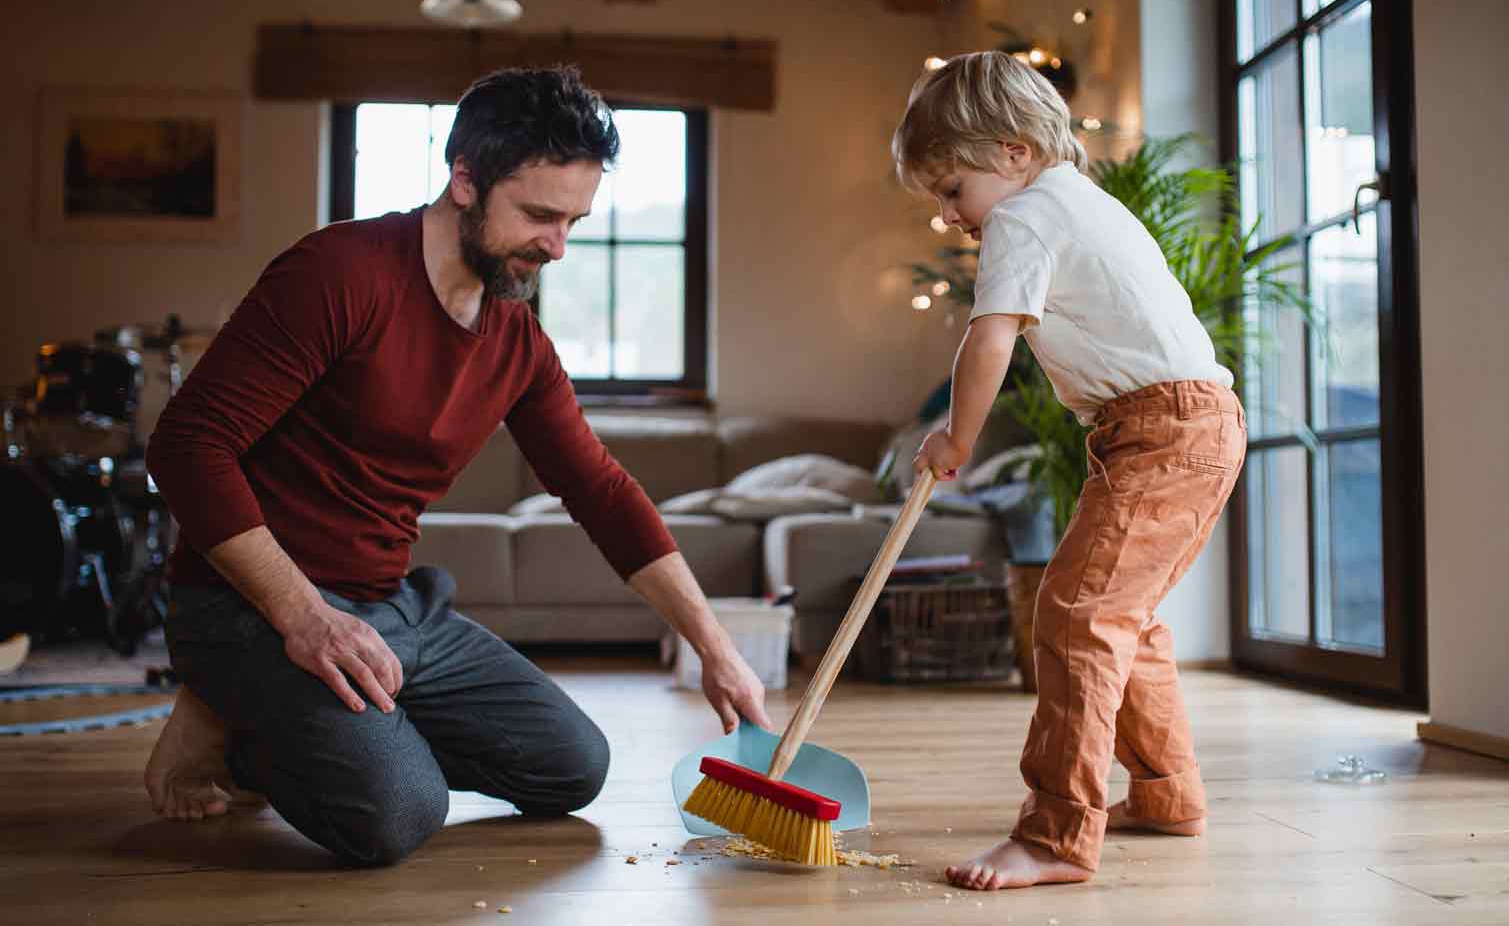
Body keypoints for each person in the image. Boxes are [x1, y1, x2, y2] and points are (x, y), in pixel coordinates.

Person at [141, 65, 771, 866]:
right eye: (541, 215)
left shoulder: (516, 339)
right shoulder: (339, 272)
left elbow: (601, 492)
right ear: (464, 180)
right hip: (251, 603)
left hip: (392, 607)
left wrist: (715, 646)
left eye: (575, 220)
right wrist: (302, 618)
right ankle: (232, 712)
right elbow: (186, 444)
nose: (559, 246)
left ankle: (279, 718)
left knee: (572, 766)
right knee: (399, 812)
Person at [895, 51, 1246, 890]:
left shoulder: (1024, 217)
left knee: (1077, 614)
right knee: (1125, 618)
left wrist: (954, 439)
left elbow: (989, 337)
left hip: (1162, 430)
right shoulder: (1073, 203)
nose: (948, 215)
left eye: (952, 190)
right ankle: (1166, 794)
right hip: (1179, 428)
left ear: (1013, 151)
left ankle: (1055, 833)